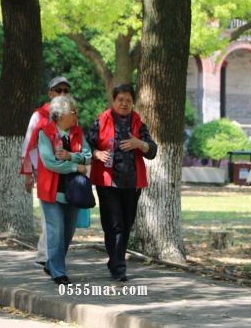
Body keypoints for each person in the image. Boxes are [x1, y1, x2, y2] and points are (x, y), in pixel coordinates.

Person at [87, 84, 157, 282]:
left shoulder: (138, 123)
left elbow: (152, 150)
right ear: (113, 101)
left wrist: (139, 144)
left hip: (132, 184)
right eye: (121, 100)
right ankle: (119, 267)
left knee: (125, 226)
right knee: (114, 225)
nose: (124, 104)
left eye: (128, 100)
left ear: (133, 102)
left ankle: (114, 260)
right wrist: (96, 153)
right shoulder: (101, 121)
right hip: (107, 182)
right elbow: (87, 144)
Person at [34, 95, 91, 285]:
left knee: (67, 233)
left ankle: (52, 264)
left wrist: (71, 156)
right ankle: (58, 271)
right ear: (60, 115)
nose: (76, 116)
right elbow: (50, 163)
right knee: (55, 231)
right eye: (73, 112)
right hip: (51, 191)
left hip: (74, 192)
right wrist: (76, 166)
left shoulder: (77, 132)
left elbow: (88, 156)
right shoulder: (44, 133)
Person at [20, 76, 71, 268]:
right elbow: (28, 145)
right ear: (50, 93)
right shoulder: (39, 116)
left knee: (62, 218)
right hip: (44, 172)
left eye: (66, 90)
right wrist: (27, 174)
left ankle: (52, 255)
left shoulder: (71, 114)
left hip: (67, 172)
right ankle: (45, 256)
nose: (62, 94)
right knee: (49, 216)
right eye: (59, 91)